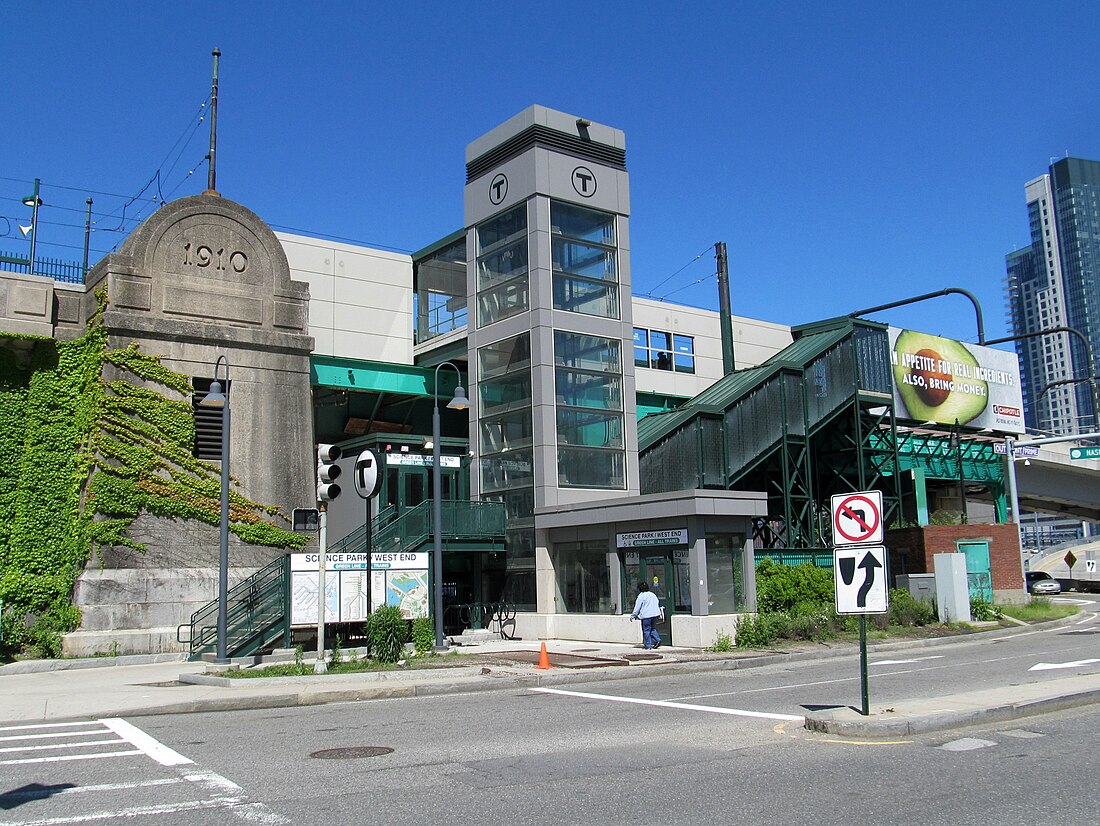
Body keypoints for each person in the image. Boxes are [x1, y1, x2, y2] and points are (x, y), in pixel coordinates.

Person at [629, 581, 662, 649]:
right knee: (652, 628)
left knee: (646, 630)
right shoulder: (652, 594)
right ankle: (657, 640)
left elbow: (637, 607)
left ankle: (648, 645)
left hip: (646, 615)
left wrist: (633, 615)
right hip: (655, 614)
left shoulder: (641, 596)